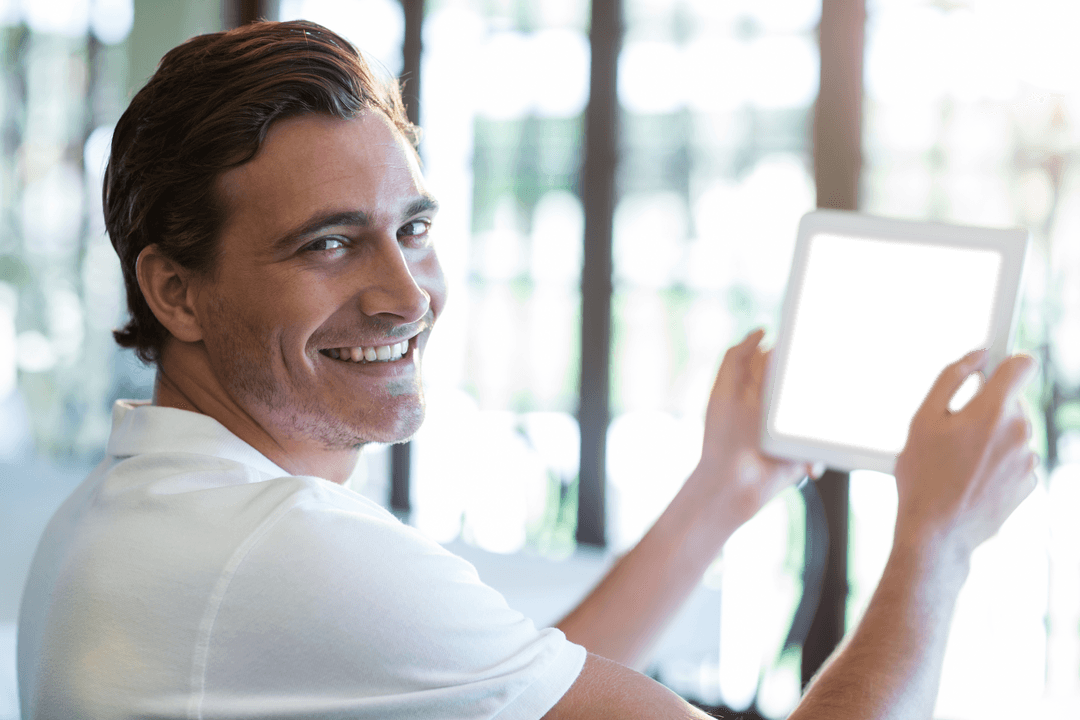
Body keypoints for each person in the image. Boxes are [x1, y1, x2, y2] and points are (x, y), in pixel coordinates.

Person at [17, 20, 1039, 720]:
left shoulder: (143, 511)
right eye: (329, 244)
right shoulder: (275, 551)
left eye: (412, 228)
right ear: (175, 291)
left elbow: (512, 685)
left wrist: (719, 495)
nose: (406, 295)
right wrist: (936, 542)